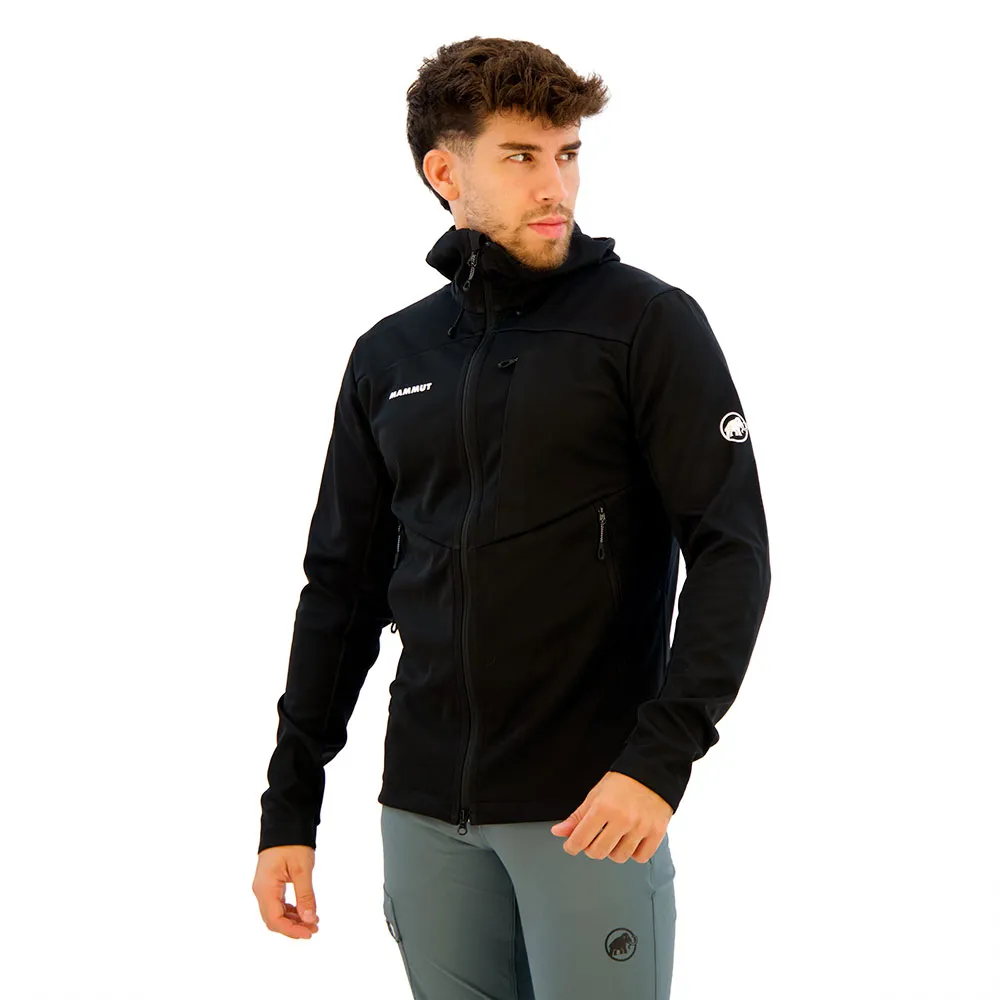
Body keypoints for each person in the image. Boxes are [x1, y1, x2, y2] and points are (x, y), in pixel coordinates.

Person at [252, 35, 771, 1000]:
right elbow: (341, 591)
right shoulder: (390, 356)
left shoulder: (646, 325)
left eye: (568, 154)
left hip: (590, 807)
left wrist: (658, 762)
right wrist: (290, 807)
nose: (555, 186)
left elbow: (732, 551)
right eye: (522, 156)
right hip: (422, 810)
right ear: (445, 173)